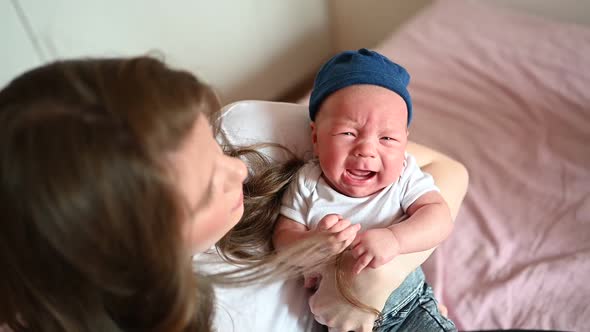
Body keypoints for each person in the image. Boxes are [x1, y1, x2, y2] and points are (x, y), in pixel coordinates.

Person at [0, 56, 468, 332]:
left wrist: (380, 280)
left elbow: (449, 173)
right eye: (207, 188)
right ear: (134, 260)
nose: (238, 169)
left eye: (211, 142)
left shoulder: (249, 134)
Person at [272, 49, 457, 331]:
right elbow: (283, 240)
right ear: (316, 137)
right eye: (348, 133)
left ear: (405, 143)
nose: (367, 150)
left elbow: (439, 218)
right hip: (337, 322)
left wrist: (395, 239)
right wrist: (311, 243)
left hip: (406, 308)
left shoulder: (404, 176)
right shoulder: (308, 182)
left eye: (387, 138)